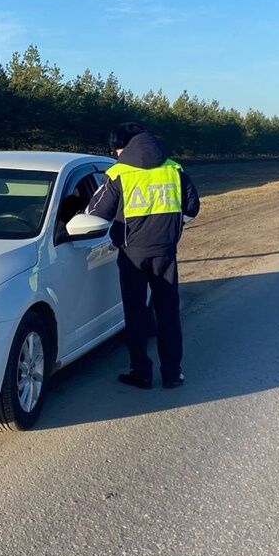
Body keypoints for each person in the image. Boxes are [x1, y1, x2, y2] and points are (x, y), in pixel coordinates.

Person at [85, 122, 200, 389]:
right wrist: (171, 226)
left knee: (136, 315)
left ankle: (142, 373)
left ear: (121, 146)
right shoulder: (173, 168)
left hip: (132, 256)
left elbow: (95, 214)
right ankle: (173, 374)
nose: (116, 155)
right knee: (168, 314)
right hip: (166, 252)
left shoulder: (119, 173)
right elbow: (192, 208)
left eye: (116, 150)